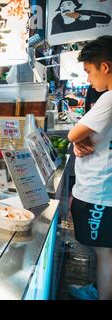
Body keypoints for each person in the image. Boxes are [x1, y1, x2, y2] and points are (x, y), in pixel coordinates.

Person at [67, 35, 112, 300]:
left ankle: (102, 295)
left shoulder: (109, 99)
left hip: (101, 191)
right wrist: (78, 142)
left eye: (88, 72)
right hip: (103, 189)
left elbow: (74, 134)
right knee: (104, 250)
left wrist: (75, 140)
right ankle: (98, 289)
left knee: (105, 252)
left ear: (105, 67)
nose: (88, 80)